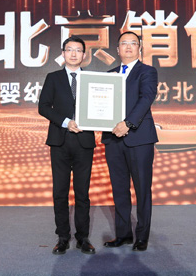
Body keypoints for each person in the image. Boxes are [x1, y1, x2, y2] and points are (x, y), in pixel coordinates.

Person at [38, 36, 96, 255]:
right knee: (60, 192)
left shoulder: (92, 79)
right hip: (60, 141)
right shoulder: (53, 78)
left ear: (84, 55)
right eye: (69, 49)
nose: (73, 54)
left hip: (84, 141)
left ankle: (83, 237)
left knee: (82, 193)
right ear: (63, 53)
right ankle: (62, 237)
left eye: (78, 50)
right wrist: (65, 122)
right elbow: (43, 107)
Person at [102, 31, 158, 251]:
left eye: (133, 43)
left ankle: (142, 236)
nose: (128, 47)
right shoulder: (109, 75)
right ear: (117, 50)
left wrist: (128, 123)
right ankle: (123, 234)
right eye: (123, 43)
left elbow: (146, 98)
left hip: (139, 138)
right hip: (113, 139)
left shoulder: (147, 72)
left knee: (142, 189)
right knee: (119, 189)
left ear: (139, 48)